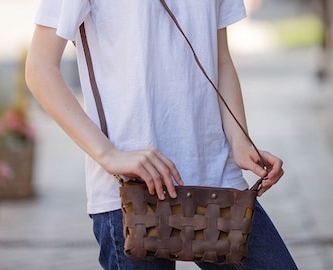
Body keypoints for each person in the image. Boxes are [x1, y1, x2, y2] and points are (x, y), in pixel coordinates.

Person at [26, 0, 298, 269]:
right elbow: (40, 68)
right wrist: (108, 155)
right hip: (132, 189)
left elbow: (220, 58)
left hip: (217, 178)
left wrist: (240, 140)